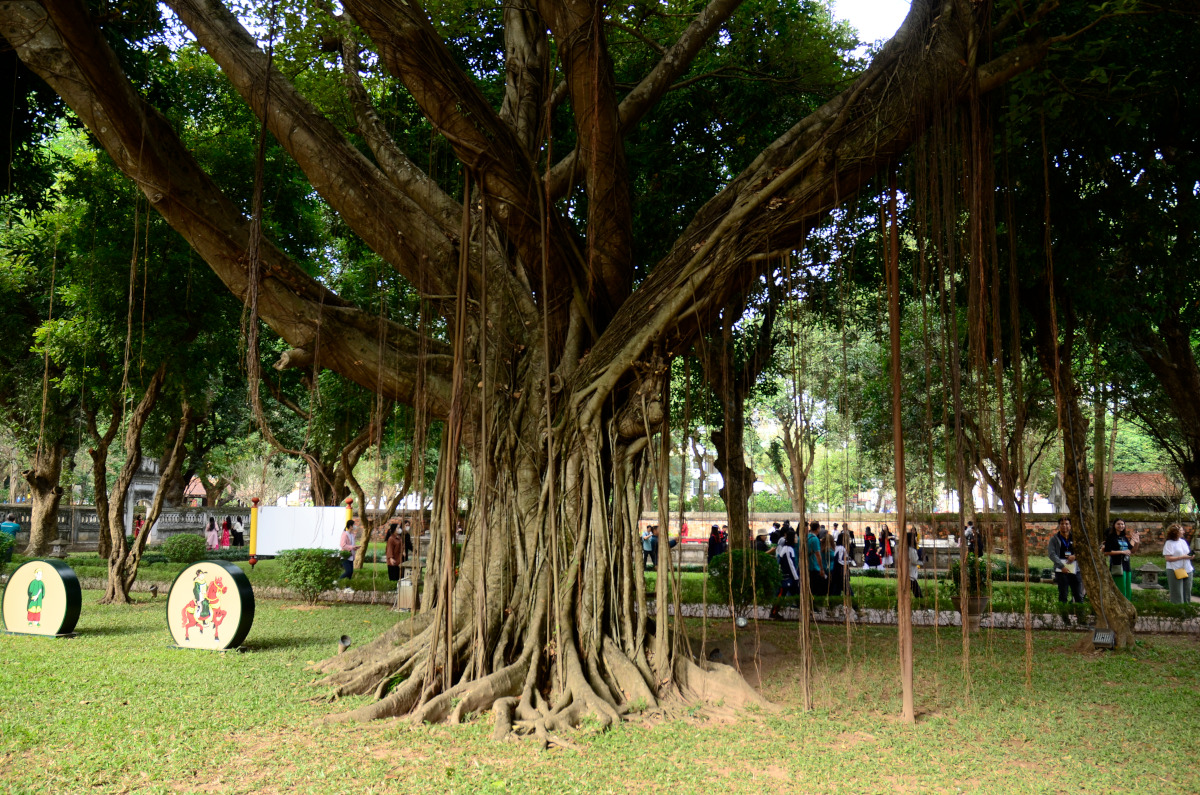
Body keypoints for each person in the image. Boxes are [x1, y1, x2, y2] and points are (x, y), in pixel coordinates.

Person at [1048, 517, 1082, 603]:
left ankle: (1080, 611)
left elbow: (1083, 551)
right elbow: (1052, 554)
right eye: (1062, 524)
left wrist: (1075, 556)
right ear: (1059, 526)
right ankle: (1063, 611)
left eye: (1066, 524)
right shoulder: (1054, 539)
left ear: (1070, 526)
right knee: (1063, 595)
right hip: (1061, 570)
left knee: (1078, 594)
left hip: (1075, 569)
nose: (1064, 526)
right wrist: (1061, 566)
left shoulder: (1076, 538)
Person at [1103, 519, 1138, 599]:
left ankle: (1128, 604)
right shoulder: (1111, 537)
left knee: (1127, 589)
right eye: (1118, 524)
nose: (1121, 526)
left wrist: (1137, 542)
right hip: (1117, 565)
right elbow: (1107, 552)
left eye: (1122, 524)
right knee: (1120, 589)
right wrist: (1122, 552)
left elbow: (1132, 551)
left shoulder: (1124, 537)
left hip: (1126, 565)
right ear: (1114, 525)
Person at [1162, 524, 1194, 605]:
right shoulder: (1169, 543)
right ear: (1175, 532)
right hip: (1175, 569)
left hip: (1187, 569)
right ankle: (1178, 610)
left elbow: (1187, 553)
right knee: (1177, 594)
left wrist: (1190, 556)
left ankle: (1187, 610)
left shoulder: (1183, 541)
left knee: (1187, 593)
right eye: (1181, 530)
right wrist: (1182, 557)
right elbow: (1168, 558)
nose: (1183, 532)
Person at [776, 528, 801, 596]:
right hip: (787, 577)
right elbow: (791, 565)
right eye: (795, 537)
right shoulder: (788, 550)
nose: (796, 539)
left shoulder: (789, 549)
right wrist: (796, 577)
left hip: (789, 576)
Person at [829, 533, 854, 598]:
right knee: (847, 590)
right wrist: (850, 561)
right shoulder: (841, 549)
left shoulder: (837, 547)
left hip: (837, 571)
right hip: (840, 571)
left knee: (836, 590)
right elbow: (841, 561)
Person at [806, 521, 828, 596]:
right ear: (818, 529)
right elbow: (818, 555)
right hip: (814, 566)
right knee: (819, 588)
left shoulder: (807, 537)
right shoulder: (815, 539)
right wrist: (821, 568)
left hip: (808, 565)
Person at [340, 519, 357, 586]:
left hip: (351, 556)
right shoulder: (345, 534)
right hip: (345, 556)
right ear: (350, 526)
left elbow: (352, 545)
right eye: (353, 525)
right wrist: (352, 547)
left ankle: (347, 587)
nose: (355, 526)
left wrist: (355, 547)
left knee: (351, 572)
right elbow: (343, 545)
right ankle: (337, 581)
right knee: (348, 571)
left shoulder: (353, 535)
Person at [907, 532, 922, 598]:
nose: (916, 539)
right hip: (911, 576)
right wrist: (923, 562)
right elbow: (914, 561)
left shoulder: (907, 549)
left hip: (909, 574)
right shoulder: (911, 550)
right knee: (918, 595)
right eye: (915, 538)